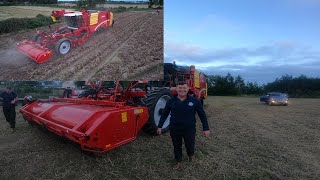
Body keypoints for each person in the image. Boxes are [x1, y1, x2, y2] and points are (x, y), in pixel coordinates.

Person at [157, 82, 210, 170]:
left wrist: (206, 128)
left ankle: (191, 155)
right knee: (176, 145)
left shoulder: (194, 101)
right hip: (175, 128)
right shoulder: (171, 101)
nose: (182, 90)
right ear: (176, 89)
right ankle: (178, 161)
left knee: (190, 143)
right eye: (180, 88)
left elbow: (202, 115)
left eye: (184, 88)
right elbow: (165, 114)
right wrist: (160, 126)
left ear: (188, 89)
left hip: (189, 128)